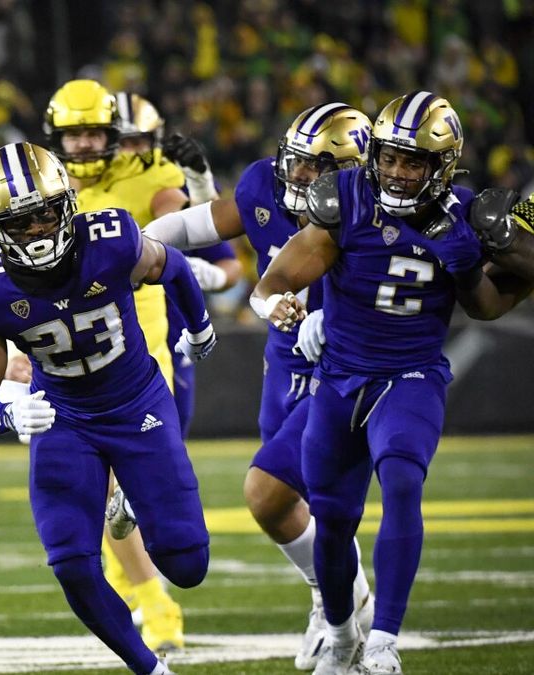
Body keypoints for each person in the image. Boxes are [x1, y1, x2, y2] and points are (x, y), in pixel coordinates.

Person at [251, 91, 510, 675]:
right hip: (340, 377)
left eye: (413, 162)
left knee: (400, 481)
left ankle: (386, 640)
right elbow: (282, 275)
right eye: (389, 157)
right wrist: (280, 305)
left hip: (411, 376)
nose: (396, 171)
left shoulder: (467, 212)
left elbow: (489, 302)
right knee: (335, 518)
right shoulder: (344, 197)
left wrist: (469, 264)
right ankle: (342, 632)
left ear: (442, 166)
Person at [0, 142, 215, 675]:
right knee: (72, 563)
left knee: (188, 564)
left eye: (46, 214)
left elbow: (173, 266)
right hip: (65, 418)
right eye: (20, 222)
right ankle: (150, 668)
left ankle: (132, 507)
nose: (37, 230)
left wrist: (200, 325)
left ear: (66, 205)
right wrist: (7, 415)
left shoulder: (113, 239)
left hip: (136, 401)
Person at [143, 103, 378, 668]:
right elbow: (204, 223)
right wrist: (139, 243)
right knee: (281, 505)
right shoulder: (263, 185)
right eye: (294, 163)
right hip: (287, 358)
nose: (295, 177)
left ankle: (349, 613)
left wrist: (345, 318)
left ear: (350, 172)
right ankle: (333, 597)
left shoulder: (372, 214)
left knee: (271, 490)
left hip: (346, 363)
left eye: (312, 169)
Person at [39, 80, 194, 653]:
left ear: (112, 133)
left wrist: (184, 206)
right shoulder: (39, 185)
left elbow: (180, 225)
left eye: (93, 133)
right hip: (63, 339)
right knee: (97, 484)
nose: (81, 145)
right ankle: (151, 600)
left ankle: (149, 593)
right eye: (72, 134)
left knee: (134, 481)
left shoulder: (147, 173)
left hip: (140, 338)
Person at [112, 91, 241, 437]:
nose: (129, 153)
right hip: (106, 326)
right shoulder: (83, 187)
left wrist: (206, 275)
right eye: (120, 143)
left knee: (166, 435)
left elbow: (230, 267)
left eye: (137, 141)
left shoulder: (173, 181)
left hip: (171, 322)